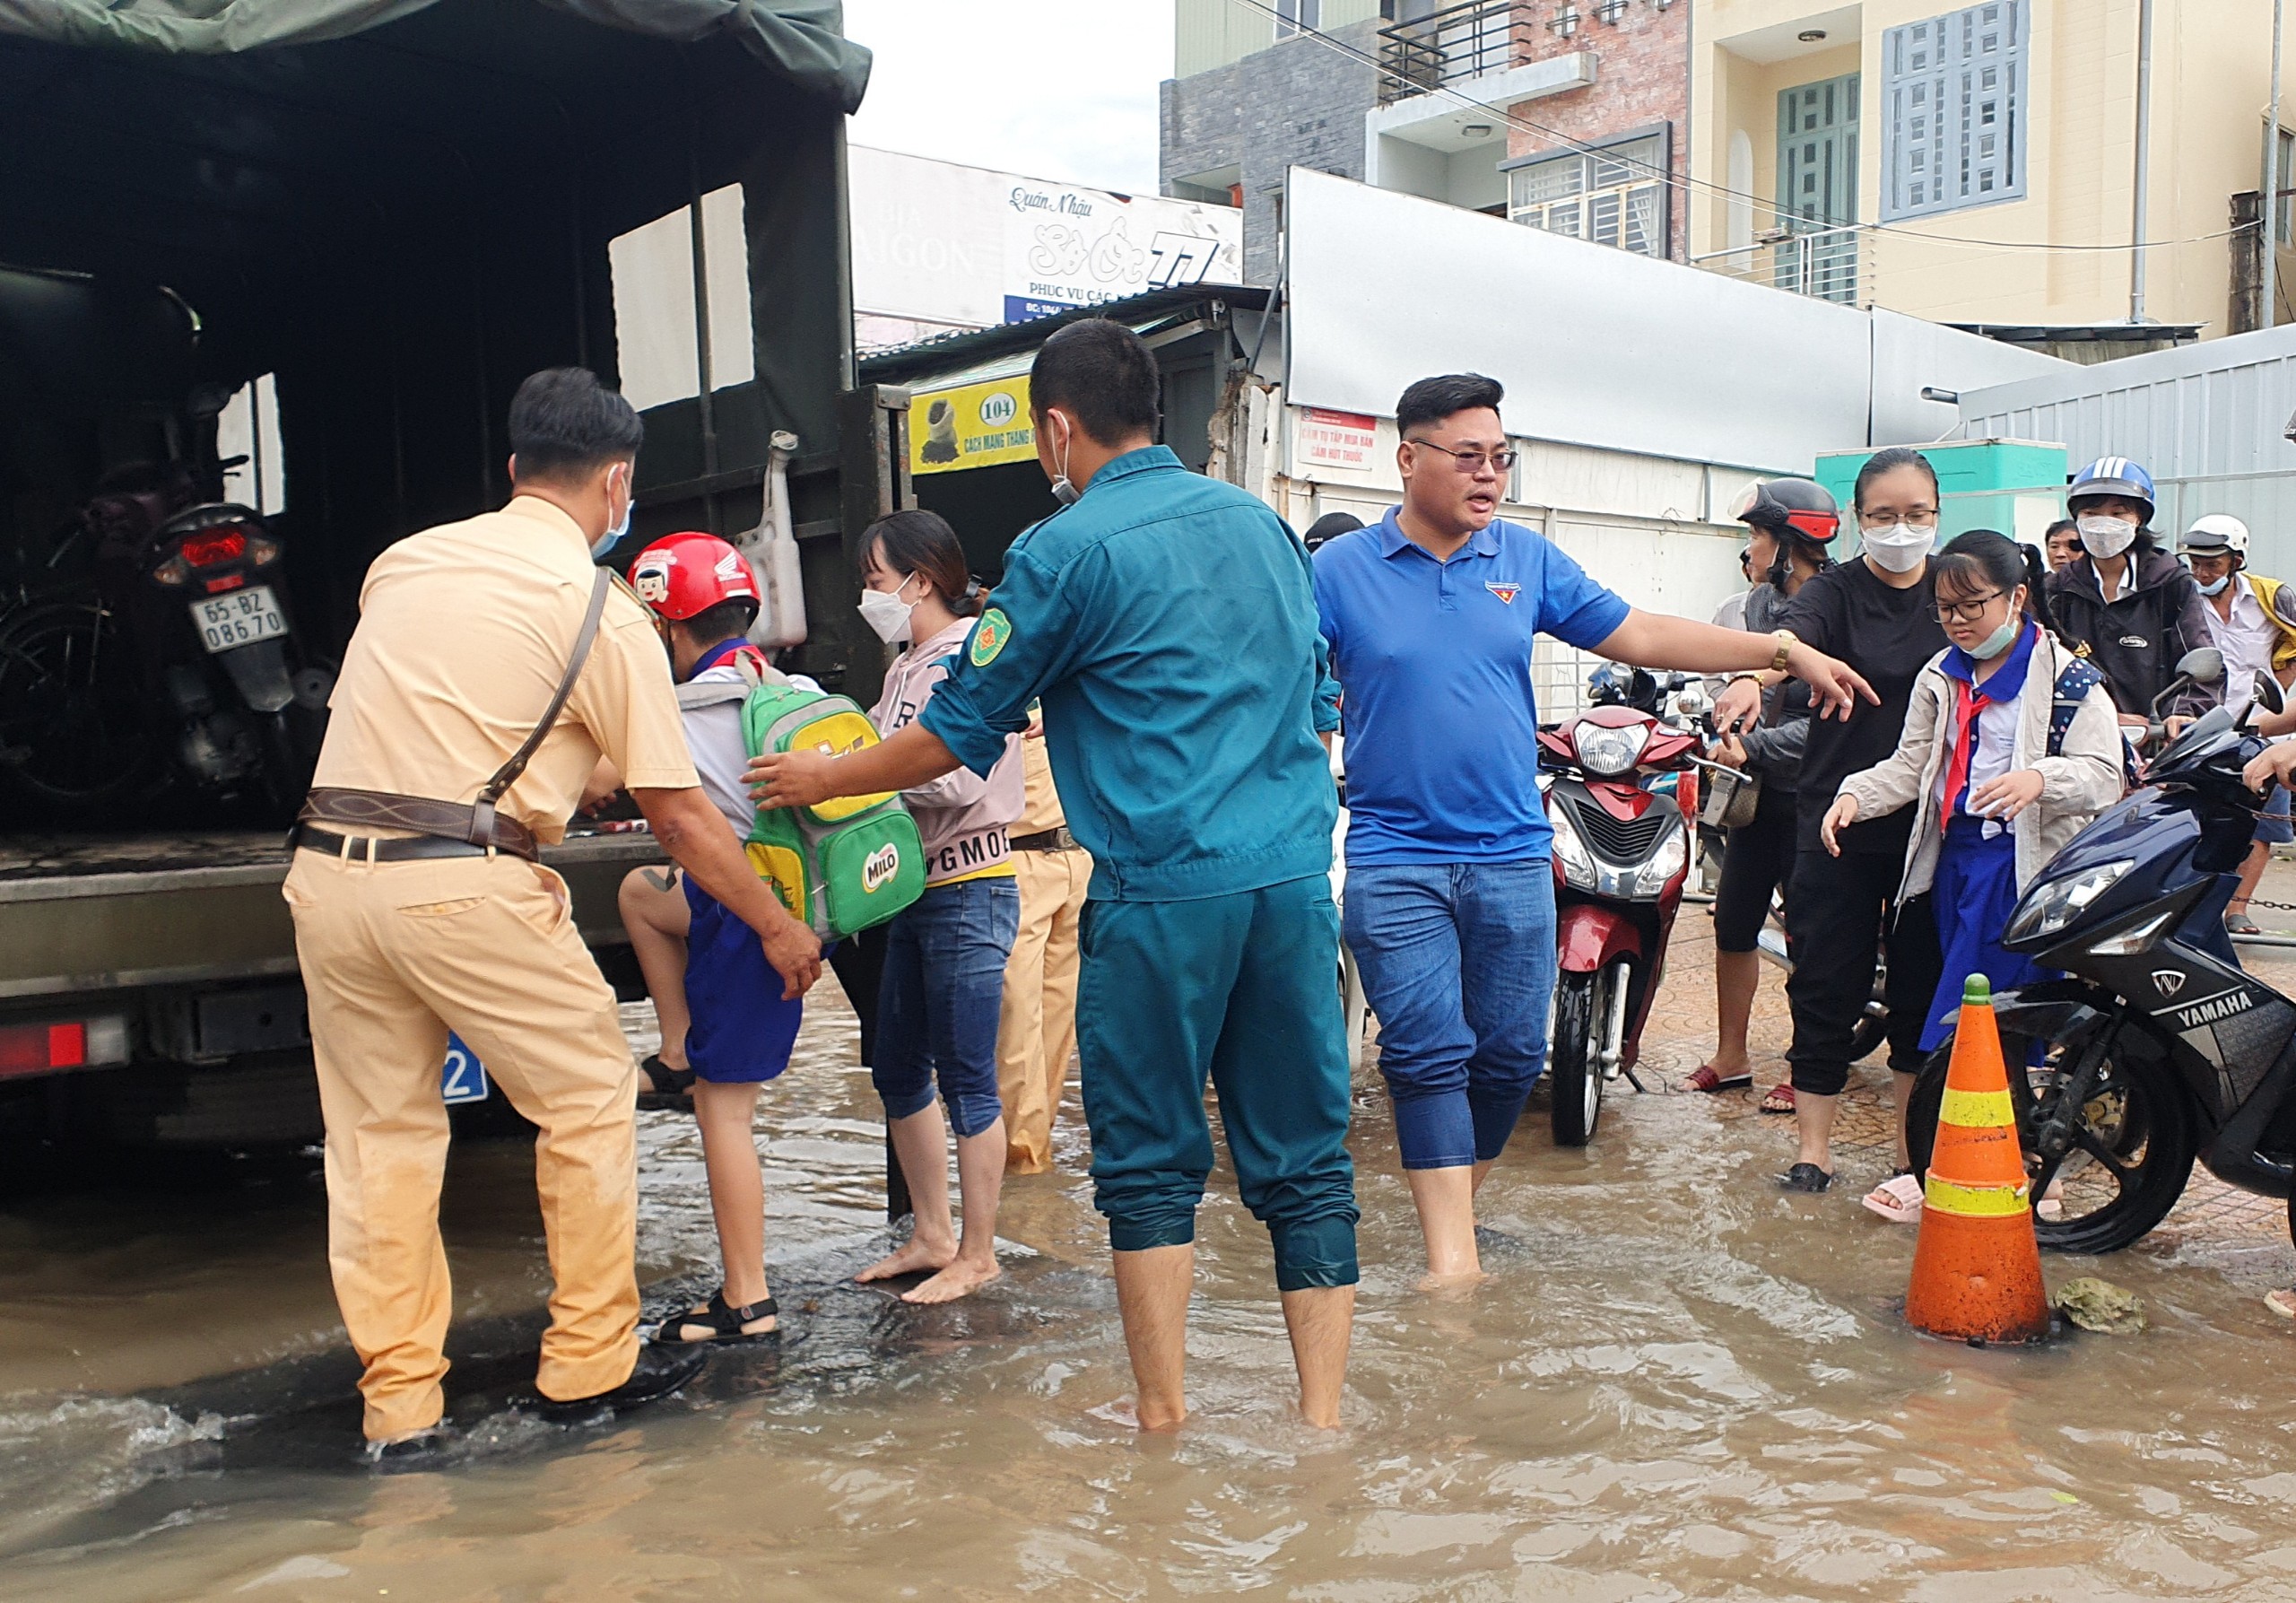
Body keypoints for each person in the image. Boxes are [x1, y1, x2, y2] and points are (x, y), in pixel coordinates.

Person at [751, 318, 1360, 1431]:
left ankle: (1162, 1424)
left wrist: (818, 773)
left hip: (1160, 891)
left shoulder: (1063, 549)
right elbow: (1320, 694)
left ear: (1057, 428)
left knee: (1147, 1164)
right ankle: (1321, 1424)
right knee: (1307, 1161)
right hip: (1286, 888)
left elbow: (955, 733)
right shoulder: (1265, 527)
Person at [284, 368, 822, 1459]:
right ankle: (588, 1367)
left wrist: (565, 769)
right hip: (465, 882)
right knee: (585, 1100)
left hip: (329, 878)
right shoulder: (601, 608)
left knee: (378, 1141)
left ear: (516, 467)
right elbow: (681, 819)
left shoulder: (405, 561)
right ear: (617, 483)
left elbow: (445, 707)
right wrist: (775, 922)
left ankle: (402, 1410)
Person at [1313, 373, 1876, 1284]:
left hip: (1506, 849)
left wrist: (1782, 652)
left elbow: (1643, 635)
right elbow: (1269, 674)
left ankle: (1454, 1208)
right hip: (1395, 852)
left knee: (1503, 1056)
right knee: (1425, 1050)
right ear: (1408, 458)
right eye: (1468, 456)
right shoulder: (1337, 573)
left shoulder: (1524, 561)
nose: (1489, 473)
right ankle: (1450, 1260)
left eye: (1501, 456)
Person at [1820, 531, 2123, 1220]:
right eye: (1945, 608)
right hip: (1953, 863)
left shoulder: (2071, 680)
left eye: (1972, 606)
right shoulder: (1942, 674)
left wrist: (2038, 778)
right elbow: (1911, 764)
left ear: (2017, 597)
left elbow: (2107, 775)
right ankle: (1981, 1168)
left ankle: (1981, 1171)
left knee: (1989, 1023)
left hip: (2019, 869)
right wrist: (1854, 795)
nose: (1958, 621)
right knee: (1966, 1018)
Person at [1714, 446, 1950, 1191]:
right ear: (1858, 519)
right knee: (1824, 981)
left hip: (1933, 827)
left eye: (1916, 515)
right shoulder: (1836, 592)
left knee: (1923, 984)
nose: (1901, 529)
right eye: (1884, 515)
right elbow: (1788, 644)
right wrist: (1754, 676)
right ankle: (1813, 1151)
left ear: (1938, 517)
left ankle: (1912, 1153)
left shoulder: (1956, 590)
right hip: (1835, 824)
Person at [606, 531, 808, 1341]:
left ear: (664, 625)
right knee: (641, 895)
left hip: (749, 918)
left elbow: (606, 788)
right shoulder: (777, 683)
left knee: (725, 1118)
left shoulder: (684, 707)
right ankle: (678, 1048)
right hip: (782, 896)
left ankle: (746, 1300)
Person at [850, 509, 1025, 1304]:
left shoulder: (971, 660)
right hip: (914, 893)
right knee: (896, 1067)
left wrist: (862, 772)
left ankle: (979, 1250)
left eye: (876, 580)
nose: (868, 595)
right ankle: (932, 1232)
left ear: (920, 581)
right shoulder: (906, 667)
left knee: (968, 1077)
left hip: (969, 889)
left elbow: (956, 777)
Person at [1686, 480, 1833, 1099]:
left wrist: (1755, 744)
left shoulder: (1839, 606)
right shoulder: (1751, 608)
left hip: (1818, 800)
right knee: (1733, 921)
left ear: (1788, 542)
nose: (1747, 549)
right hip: (1754, 798)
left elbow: (1831, 721)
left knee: (1813, 934)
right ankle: (1733, 1053)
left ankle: (1808, 1068)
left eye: (1755, 535)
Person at [2179, 514, 2296, 934]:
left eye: (2212, 563)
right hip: (2201, 727)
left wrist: (2272, 706)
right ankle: (2192, 906)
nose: (2202, 572)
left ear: (2237, 560)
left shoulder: (2272, 597)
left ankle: (2238, 909)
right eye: (2195, 562)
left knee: (2261, 823)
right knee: (2195, 819)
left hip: (2262, 726)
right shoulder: (2182, 599)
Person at [2043, 457, 2216, 734]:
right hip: (2076, 735)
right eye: (2091, 513)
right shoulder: (2058, 590)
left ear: (2139, 520)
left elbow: (2197, 656)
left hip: (2154, 737)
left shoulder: (2169, 582)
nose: (2103, 524)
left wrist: (2182, 712)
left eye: (2118, 513)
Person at [997, 706, 1091, 1175]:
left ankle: (1037, 1147)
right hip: (1018, 855)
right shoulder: (991, 656)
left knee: (1060, 1016)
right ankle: (1023, 1161)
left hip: (1079, 853)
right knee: (1017, 1014)